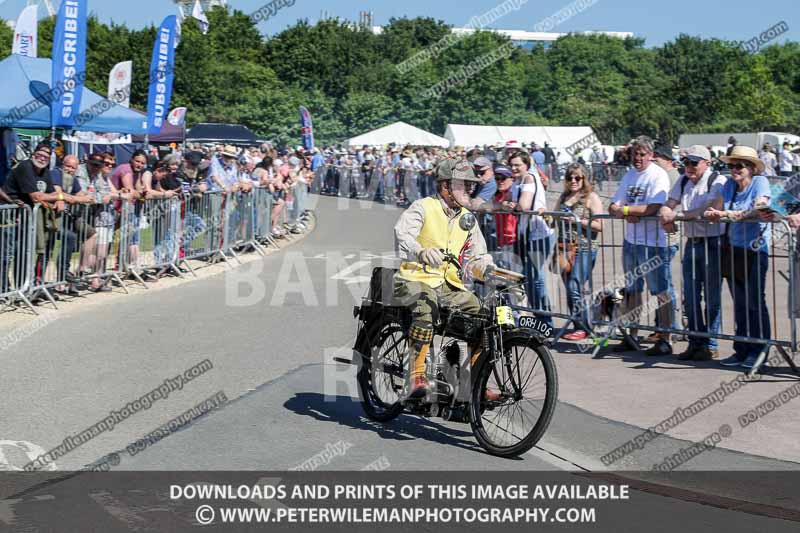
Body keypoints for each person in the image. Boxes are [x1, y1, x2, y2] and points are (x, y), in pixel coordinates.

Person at [393, 159, 495, 399]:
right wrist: (420, 251)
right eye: (464, 185)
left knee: (484, 317)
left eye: (472, 185)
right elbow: (402, 233)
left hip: (449, 285)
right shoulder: (424, 206)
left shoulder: (468, 219)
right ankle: (416, 377)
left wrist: (493, 273)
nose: (470, 189)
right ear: (446, 187)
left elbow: (476, 258)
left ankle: (473, 383)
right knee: (425, 302)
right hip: (414, 278)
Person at [705, 146, 772, 369]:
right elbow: (715, 209)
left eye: (739, 166)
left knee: (754, 303)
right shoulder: (729, 185)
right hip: (734, 249)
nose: (734, 170)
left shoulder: (760, 183)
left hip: (755, 250)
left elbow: (759, 208)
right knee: (740, 304)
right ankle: (741, 349)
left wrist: (726, 215)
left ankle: (759, 349)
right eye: (731, 165)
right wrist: (714, 213)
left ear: (752, 168)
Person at [608, 136, 674, 356]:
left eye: (642, 154)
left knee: (660, 291)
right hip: (631, 241)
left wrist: (627, 211)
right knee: (633, 291)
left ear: (651, 155)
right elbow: (613, 204)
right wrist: (622, 211)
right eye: (635, 154)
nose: (638, 158)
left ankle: (665, 337)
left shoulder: (658, 175)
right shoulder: (629, 175)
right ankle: (633, 334)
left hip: (654, 243)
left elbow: (655, 206)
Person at [660, 145, 727, 361]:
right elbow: (667, 205)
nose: (689, 167)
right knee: (690, 295)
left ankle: (711, 343)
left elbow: (705, 211)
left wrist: (676, 216)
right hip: (693, 241)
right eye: (687, 162)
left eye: (694, 162)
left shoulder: (717, 181)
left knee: (712, 296)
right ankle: (695, 341)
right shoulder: (682, 181)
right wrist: (666, 215)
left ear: (706, 163)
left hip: (713, 242)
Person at [553, 164, 603, 340]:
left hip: (585, 248)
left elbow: (599, 225)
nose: (573, 181)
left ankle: (584, 326)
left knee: (575, 285)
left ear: (584, 179)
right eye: (570, 178)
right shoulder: (564, 197)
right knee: (570, 288)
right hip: (564, 248)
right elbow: (554, 217)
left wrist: (577, 221)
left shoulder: (591, 197)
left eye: (577, 178)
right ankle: (577, 324)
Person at [508, 150, 554, 326]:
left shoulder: (529, 178)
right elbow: (509, 204)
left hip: (539, 235)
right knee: (529, 279)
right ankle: (539, 320)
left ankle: (546, 322)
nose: (514, 168)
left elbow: (524, 205)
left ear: (526, 165)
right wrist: (509, 205)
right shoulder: (517, 181)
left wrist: (514, 206)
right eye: (511, 164)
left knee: (537, 280)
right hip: (526, 235)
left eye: (517, 164)